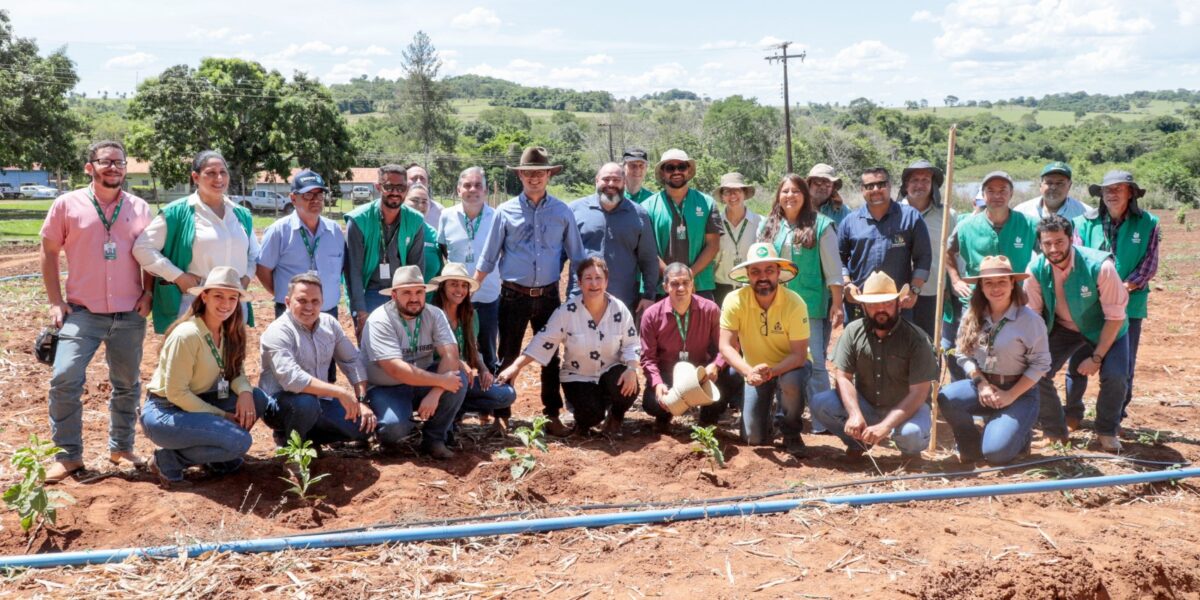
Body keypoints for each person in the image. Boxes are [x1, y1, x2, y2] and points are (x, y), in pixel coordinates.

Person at [40, 140, 154, 483]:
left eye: (120, 162)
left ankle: (121, 447)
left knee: (126, 384)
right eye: (106, 162)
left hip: (129, 313)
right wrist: (55, 301)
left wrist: (148, 292)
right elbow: (48, 251)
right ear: (90, 167)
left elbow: (150, 254)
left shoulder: (139, 208)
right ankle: (69, 456)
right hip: (82, 313)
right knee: (64, 377)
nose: (114, 168)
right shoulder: (67, 204)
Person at [475, 146, 585, 437]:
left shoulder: (563, 212)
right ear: (520, 175)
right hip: (513, 294)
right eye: (528, 173)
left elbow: (577, 256)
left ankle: (552, 414)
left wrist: (584, 292)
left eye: (539, 173)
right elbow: (488, 256)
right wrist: (473, 288)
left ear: (549, 175)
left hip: (549, 295)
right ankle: (502, 414)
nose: (534, 178)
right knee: (507, 354)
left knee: (551, 356)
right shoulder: (505, 212)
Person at [139, 267, 268, 487]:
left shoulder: (229, 331)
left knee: (257, 399)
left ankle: (215, 457)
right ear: (204, 296)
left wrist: (245, 391)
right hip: (166, 412)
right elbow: (176, 393)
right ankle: (168, 459)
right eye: (218, 296)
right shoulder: (187, 334)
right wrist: (221, 415)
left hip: (199, 403)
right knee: (240, 441)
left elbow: (236, 373)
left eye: (232, 297)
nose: (225, 304)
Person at [498, 257, 640, 436]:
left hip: (610, 371)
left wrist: (632, 368)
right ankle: (589, 415)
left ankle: (616, 416)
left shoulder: (619, 309)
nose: (594, 284)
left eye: (598, 278)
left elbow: (632, 343)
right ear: (579, 283)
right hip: (578, 376)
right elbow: (542, 340)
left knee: (627, 385)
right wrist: (516, 366)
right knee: (591, 416)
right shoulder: (567, 312)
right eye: (588, 278)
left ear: (606, 282)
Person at [1025, 215, 1130, 452]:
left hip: (1104, 327)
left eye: (1059, 242)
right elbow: (1033, 317)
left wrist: (1096, 358)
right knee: (1035, 371)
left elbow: (1115, 317)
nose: (1053, 249)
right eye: (1047, 243)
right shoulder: (1035, 270)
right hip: (1063, 327)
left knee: (1115, 376)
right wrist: (1033, 353)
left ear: (1071, 238)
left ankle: (1106, 430)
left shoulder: (1100, 266)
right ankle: (1055, 430)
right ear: (1040, 244)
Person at [810, 272, 938, 461]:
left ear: (898, 304)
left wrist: (886, 426)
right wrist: (854, 414)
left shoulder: (917, 339)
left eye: (887, 303)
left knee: (912, 435)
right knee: (820, 403)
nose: (881, 310)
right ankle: (858, 442)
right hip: (867, 405)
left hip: (906, 409)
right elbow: (842, 376)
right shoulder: (853, 332)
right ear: (863, 306)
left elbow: (919, 393)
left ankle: (910, 455)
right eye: (873, 305)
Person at [937, 256, 1050, 465]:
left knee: (996, 454)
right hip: (984, 386)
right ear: (981, 286)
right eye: (988, 282)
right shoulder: (972, 315)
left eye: (1001, 282)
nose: (995, 288)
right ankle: (970, 447)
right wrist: (981, 384)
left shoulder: (1030, 320)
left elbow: (1041, 364)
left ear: (1012, 284)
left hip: (1019, 392)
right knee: (947, 397)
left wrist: (1010, 395)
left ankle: (1019, 435)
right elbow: (962, 354)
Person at [1069, 170, 1161, 426]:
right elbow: (1077, 260)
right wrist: (1101, 292)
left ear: (1131, 193)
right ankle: (1072, 413)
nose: (1111, 194)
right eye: (1106, 190)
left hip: (1130, 307)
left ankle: (1114, 416)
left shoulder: (1148, 223)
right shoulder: (1083, 223)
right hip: (1089, 306)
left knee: (1123, 368)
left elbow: (1148, 264)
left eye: (1118, 189)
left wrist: (1121, 289)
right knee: (1077, 362)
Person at [134, 150, 259, 333]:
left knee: (231, 358)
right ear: (195, 177)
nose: (218, 178)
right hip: (193, 301)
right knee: (192, 356)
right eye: (210, 173)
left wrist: (247, 277)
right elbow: (142, 248)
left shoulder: (241, 214)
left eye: (223, 172)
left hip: (233, 303)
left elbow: (254, 254)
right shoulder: (177, 213)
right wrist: (178, 276)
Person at [360, 266, 468, 459]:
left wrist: (437, 391)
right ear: (393, 295)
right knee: (393, 429)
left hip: (424, 382)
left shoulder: (434, 314)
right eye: (407, 292)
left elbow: (451, 354)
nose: (414, 298)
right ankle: (380, 432)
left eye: (419, 292)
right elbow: (395, 369)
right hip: (387, 387)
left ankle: (434, 439)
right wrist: (441, 380)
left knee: (458, 380)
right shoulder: (380, 320)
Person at [258, 273, 377, 449]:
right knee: (305, 404)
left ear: (322, 302)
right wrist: (339, 392)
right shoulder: (278, 331)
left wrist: (361, 400)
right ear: (288, 302)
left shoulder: (330, 324)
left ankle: (309, 439)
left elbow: (352, 360)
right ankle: (291, 447)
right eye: (302, 300)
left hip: (320, 401)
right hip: (280, 405)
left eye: (315, 301)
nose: (309, 307)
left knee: (363, 427)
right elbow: (292, 379)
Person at [718, 243, 812, 457]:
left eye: (769, 270)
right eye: (756, 272)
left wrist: (773, 372)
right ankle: (767, 420)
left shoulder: (795, 304)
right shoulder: (734, 301)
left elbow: (799, 355)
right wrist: (748, 372)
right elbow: (725, 346)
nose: (763, 277)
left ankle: (791, 432)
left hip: (790, 366)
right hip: (754, 371)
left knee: (790, 382)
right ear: (748, 275)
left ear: (779, 273)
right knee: (753, 438)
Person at [758, 174, 843, 404]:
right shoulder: (768, 225)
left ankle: (821, 417)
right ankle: (782, 415)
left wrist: (837, 303)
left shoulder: (821, 225)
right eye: (785, 191)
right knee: (778, 359)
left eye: (796, 191)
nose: (790, 196)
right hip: (774, 305)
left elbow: (833, 269)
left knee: (814, 361)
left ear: (805, 195)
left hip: (810, 306)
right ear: (778, 196)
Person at [429, 263, 516, 433]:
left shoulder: (470, 314)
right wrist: (460, 364)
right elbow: (429, 353)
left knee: (506, 394)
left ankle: (457, 410)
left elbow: (472, 348)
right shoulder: (431, 314)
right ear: (442, 288)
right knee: (459, 375)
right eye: (453, 284)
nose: (459, 290)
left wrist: (483, 369)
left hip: (462, 379)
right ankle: (443, 416)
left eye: (464, 285)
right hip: (436, 374)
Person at [838, 167, 931, 325]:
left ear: (889, 186)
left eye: (881, 184)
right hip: (860, 304)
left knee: (900, 349)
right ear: (862, 190)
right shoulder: (849, 222)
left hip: (898, 304)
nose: (875, 190)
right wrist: (847, 284)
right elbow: (839, 259)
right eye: (869, 186)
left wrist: (914, 290)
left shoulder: (911, 217)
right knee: (858, 348)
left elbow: (923, 257)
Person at [641, 263, 727, 432]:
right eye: (674, 283)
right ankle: (664, 417)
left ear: (692, 284)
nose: (681, 288)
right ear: (665, 286)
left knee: (730, 377)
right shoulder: (651, 315)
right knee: (652, 403)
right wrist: (658, 384)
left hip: (701, 373)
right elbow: (647, 358)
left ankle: (708, 420)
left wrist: (716, 365)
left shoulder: (710, 310)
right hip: (668, 374)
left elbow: (725, 347)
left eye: (685, 282)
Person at [344, 164, 426, 339]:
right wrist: (361, 311)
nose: (395, 192)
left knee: (403, 348)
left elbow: (416, 269)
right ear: (378, 187)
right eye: (389, 187)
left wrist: (413, 302)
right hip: (369, 291)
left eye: (401, 188)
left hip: (399, 291)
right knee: (372, 351)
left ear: (407, 189)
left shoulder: (415, 221)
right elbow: (354, 272)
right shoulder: (358, 221)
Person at [570, 162, 659, 314]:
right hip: (580, 298)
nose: (611, 184)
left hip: (622, 301)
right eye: (606, 179)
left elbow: (649, 259)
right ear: (596, 180)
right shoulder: (574, 211)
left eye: (616, 180)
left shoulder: (639, 215)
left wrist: (649, 295)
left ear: (624, 182)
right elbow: (559, 255)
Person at [256, 169, 345, 320]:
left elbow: (341, 268)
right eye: (308, 194)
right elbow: (263, 269)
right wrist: (286, 295)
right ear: (293, 198)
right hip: (291, 313)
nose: (315, 199)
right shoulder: (279, 230)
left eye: (319, 194)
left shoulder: (334, 230)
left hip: (327, 313)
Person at [946, 171, 1039, 315]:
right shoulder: (966, 226)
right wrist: (956, 280)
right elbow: (948, 251)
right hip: (976, 302)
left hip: (1017, 300)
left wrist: (1036, 285)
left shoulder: (1029, 225)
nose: (997, 196)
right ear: (983, 195)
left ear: (1011, 194)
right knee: (972, 337)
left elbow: (1046, 256)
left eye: (1003, 191)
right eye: (991, 191)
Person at [438, 166, 502, 372]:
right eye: (467, 185)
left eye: (478, 185)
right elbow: (443, 249)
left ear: (485, 191)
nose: (472, 189)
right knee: (455, 351)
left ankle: (487, 399)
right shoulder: (446, 216)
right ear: (458, 190)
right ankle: (460, 400)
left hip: (488, 296)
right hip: (456, 298)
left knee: (488, 351)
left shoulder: (498, 217)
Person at [642, 149, 722, 300]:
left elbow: (713, 245)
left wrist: (688, 277)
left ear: (688, 170)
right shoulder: (647, 207)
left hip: (699, 285)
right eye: (670, 168)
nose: (676, 171)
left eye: (681, 167)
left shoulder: (707, 203)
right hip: (661, 287)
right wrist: (672, 278)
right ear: (663, 173)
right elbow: (647, 250)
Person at [898, 159, 956, 339]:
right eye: (915, 180)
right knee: (899, 341)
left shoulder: (947, 215)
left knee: (927, 342)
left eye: (925, 180)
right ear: (906, 185)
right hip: (899, 290)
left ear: (933, 185)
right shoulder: (893, 212)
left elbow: (952, 252)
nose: (920, 185)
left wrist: (949, 285)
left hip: (932, 289)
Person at [712, 172, 762, 306]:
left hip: (750, 287)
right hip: (720, 289)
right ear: (722, 196)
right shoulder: (714, 224)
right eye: (727, 191)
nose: (732, 195)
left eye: (737, 190)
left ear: (744, 193)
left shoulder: (760, 223)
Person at [1015, 161, 1090, 221]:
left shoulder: (1085, 213)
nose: (1053, 187)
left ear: (1069, 186)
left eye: (1060, 183)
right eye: (1049, 182)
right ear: (1040, 185)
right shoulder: (1021, 212)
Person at [404, 182, 443, 285]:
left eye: (425, 201)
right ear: (403, 201)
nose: (420, 205)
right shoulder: (393, 231)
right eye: (414, 200)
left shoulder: (433, 234)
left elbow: (440, 274)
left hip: (429, 299)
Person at [407, 163, 442, 227]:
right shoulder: (395, 209)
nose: (419, 182)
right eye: (414, 178)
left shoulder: (440, 211)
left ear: (428, 183)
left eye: (422, 178)